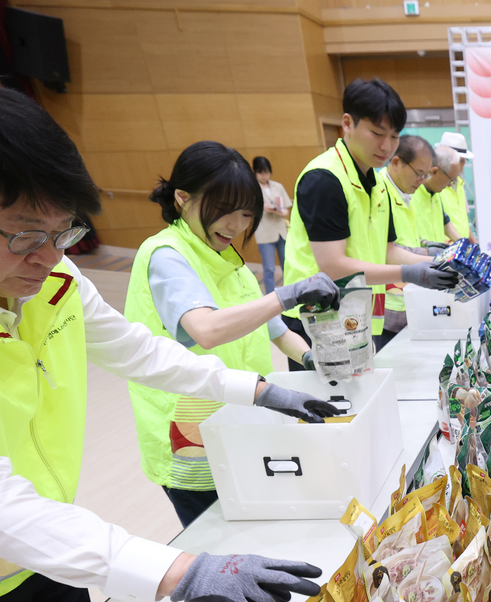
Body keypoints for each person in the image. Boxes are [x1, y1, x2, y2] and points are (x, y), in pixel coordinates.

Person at [0, 77, 327, 602]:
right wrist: (180, 569)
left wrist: (255, 389)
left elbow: (138, 350)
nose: (49, 257)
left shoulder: (46, 273)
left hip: (48, 552)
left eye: (64, 232)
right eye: (23, 235)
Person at [126, 141, 341, 527]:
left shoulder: (231, 262)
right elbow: (205, 330)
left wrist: (313, 360)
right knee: (219, 539)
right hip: (192, 430)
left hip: (242, 416)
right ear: (182, 198)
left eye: (245, 213)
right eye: (224, 210)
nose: (237, 225)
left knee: (255, 524)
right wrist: (286, 295)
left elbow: (276, 330)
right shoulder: (167, 255)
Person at [281, 78, 457, 362]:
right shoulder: (325, 179)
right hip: (317, 319)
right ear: (347, 123)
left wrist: (436, 262)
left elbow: (387, 251)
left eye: (395, 136)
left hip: (355, 318)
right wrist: (408, 273)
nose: (387, 146)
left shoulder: (378, 183)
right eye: (377, 133)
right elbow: (333, 266)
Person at [381, 135, 436, 328]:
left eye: (426, 175)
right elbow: (385, 250)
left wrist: (427, 247)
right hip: (389, 302)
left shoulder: (403, 191)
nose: (422, 181)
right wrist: (434, 260)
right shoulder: (380, 193)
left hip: (408, 296)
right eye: (419, 173)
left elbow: (407, 238)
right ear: (396, 162)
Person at [412, 144, 466, 246]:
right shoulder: (411, 193)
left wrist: (464, 244)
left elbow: (445, 222)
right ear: (434, 171)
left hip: (436, 255)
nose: (449, 185)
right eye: (450, 180)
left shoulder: (435, 192)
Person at [252, 156, 290, 294]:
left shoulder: (277, 186)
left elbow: (286, 208)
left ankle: (290, 293)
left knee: (287, 265)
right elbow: (249, 209)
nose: (264, 176)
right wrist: (263, 208)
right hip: (264, 232)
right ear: (255, 172)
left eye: (267, 172)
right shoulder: (252, 188)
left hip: (281, 231)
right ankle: (270, 296)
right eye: (261, 173)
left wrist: (280, 211)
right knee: (269, 269)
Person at [436, 131, 476, 243]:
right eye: (460, 161)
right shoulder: (435, 186)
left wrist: (474, 244)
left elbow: (464, 220)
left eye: (463, 161)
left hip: (460, 246)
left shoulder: (460, 183)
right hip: (445, 247)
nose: (462, 165)